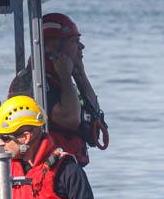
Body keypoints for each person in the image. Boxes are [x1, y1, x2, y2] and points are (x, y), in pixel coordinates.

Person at [0, 96, 99, 199]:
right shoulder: (4, 172)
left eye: (5, 138)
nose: (0, 143)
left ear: (25, 137)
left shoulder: (67, 170)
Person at [7, 13, 107, 166]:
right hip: (48, 170)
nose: (81, 47)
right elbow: (70, 118)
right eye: (75, 41)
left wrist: (80, 76)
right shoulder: (30, 82)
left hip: (68, 167)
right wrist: (66, 75)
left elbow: (94, 126)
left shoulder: (59, 79)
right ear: (53, 46)